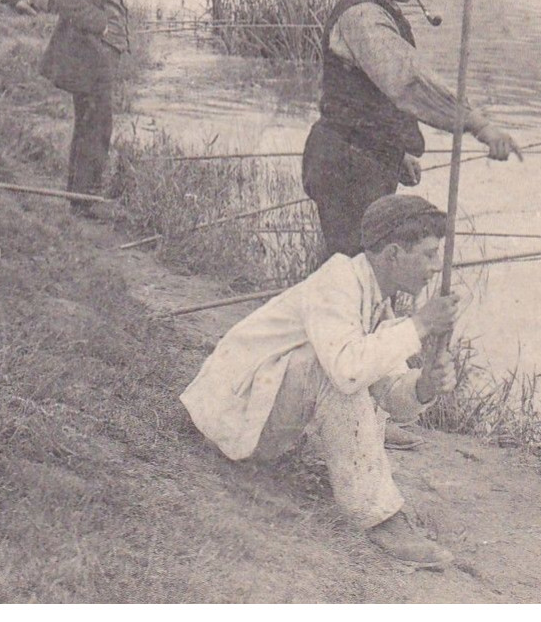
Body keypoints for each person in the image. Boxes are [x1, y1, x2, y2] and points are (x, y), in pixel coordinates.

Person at [181, 194, 462, 568]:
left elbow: (392, 397)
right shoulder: (338, 282)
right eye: (428, 254)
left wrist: (424, 385)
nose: (435, 266)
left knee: (349, 364)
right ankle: (379, 518)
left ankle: (377, 508)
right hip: (226, 417)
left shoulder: (378, 300)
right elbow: (348, 372)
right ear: (393, 254)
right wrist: (421, 324)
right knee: (335, 371)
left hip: (256, 416)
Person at [303, 0, 519, 262]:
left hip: (362, 158)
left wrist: (397, 150)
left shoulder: (379, 11)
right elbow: (407, 82)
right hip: (347, 165)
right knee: (355, 271)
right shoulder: (364, 18)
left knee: (361, 270)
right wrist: (476, 123)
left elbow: (369, 94)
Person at [39, 0, 138, 218]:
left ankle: (81, 196)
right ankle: (85, 201)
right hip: (87, 60)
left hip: (104, 60)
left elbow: (114, 4)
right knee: (94, 127)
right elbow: (64, 0)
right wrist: (102, 24)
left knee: (94, 126)